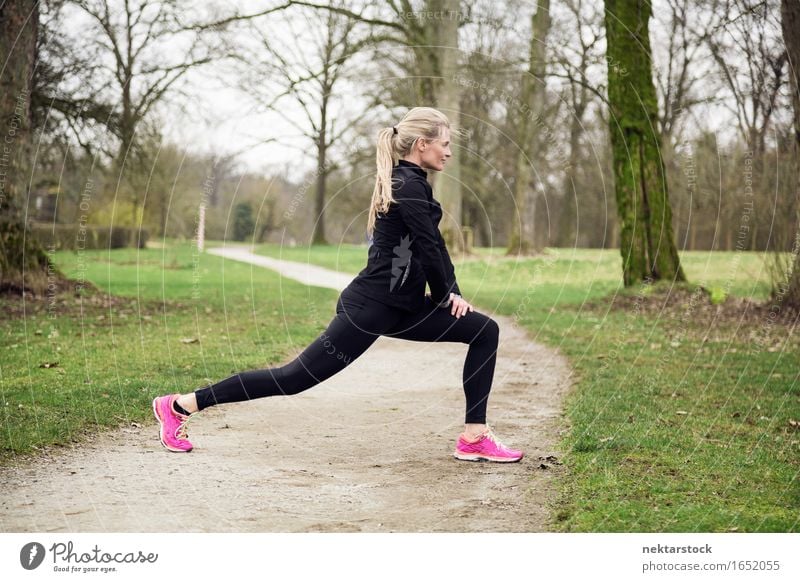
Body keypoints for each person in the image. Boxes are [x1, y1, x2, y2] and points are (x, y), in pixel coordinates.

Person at [152, 107, 523, 463]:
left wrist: (450, 292)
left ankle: (474, 437)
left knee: (483, 331)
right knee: (294, 378)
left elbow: (435, 246)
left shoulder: (414, 185)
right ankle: (180, 405)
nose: (449, 151)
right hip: (371, 308)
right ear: (422, 143)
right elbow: (427, 247)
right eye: (444, 142)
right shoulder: (406, 185)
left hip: (401, 307)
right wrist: (444, 296)